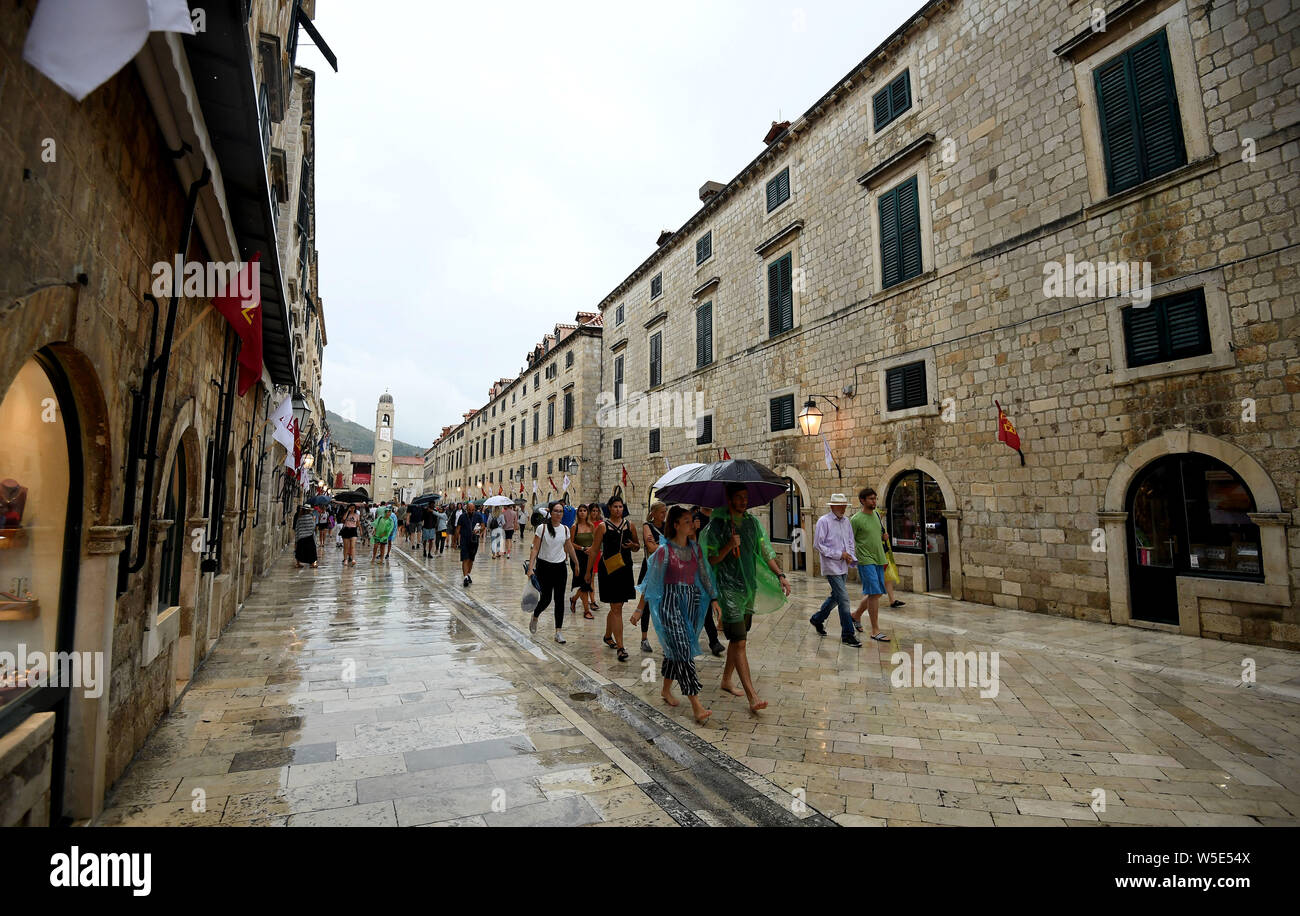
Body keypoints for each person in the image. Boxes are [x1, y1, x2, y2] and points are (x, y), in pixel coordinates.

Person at [700, 483, 790, 713]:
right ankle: (752, 696)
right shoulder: (717, 527)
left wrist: (780, 574)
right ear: (729, 500)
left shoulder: (752, 524)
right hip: (728, 590)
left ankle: (726, 680)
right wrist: (729, 546)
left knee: (737, 638)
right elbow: (710, 560)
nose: (743, 501)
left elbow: (765, 551)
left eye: (745, 497)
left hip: (748, 586)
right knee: (740, 641)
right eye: (739, 497)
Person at [639, 506, 721, 725]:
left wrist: (713, 599)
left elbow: (703, 574)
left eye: (691, 520)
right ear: (675, 525)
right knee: (683, 648)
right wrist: (640, 610)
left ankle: (666, 690)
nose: (692, 523)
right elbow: (650, 581)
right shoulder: (664, 552)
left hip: (691, 602)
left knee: (676, 648)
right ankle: (696, 704)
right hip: (669, 604)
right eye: (686, 521)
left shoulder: (695, 549)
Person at [585, 493, 639, 662]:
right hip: (608, 569)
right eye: (615, 506)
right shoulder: (602, 527)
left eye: (620, 506)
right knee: (616, 608)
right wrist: (588, 573)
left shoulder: (630, 525)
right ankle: (621, 647)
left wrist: (633, 546)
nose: (618, 509)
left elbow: (637, 546)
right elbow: (594, 550)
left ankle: (608, 635)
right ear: (609, 508)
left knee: (617, 606)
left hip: (625, 568)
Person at [811, 493, 863, 647]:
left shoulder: (846, 521)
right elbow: (818, 545)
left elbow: (850, 541)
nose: (843, 508)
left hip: (843, 566)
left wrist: (851, 557)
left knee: (836, 597)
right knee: (844, 599)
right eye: (840, 506)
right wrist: (840, 555)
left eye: (844, 506)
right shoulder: (824, 521)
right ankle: (848, 634)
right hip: (831, 567)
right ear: (832, 506)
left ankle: (817, 619)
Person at [525, 501, 581, 644]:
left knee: (559, 600)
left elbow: (569, 547)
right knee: (546, 599)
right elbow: (535, 549)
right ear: (550, 512)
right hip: (544, 567)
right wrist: (531, 568)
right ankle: (535, 615)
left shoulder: (565, 530)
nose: (558, 514)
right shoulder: (542, 528)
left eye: (560, 511)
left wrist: (576, 563)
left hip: (560, 568)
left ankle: (558, 632)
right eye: (555, 511)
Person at [850, 487, 890, 641]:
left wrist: (884, 537)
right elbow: (849, 539)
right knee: (874, 593)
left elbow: (878, 535)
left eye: (875, 498)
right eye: (871, 499)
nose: (874, 501)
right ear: (862, 501)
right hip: (865, 560)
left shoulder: (877, 515)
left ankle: (856, 615)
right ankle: (875, 630)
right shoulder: (856, 519)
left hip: (879, 557)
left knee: (878, 592)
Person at [629, 501, 668, 654]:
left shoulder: (667, 526)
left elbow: (671, 545)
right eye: (661, 512)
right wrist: (666, 547)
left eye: (665, 511)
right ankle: (644, 638)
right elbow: (651, 548)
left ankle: (665, 640)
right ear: (653, 513)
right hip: (651, 569)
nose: (664, 514)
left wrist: (660, 546)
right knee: (648, 604)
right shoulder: (647, 526)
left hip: (665, 569)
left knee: (664, 606)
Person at [690, 507, 725, 656]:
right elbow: (691, 546)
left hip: (715, 566)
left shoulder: (718, 520)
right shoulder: (694, 519)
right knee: (702, 607)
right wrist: (693, 530)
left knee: (707, 606)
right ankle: (713, 641)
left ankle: (711, 640)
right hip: (698, 568)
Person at [568, 503, 597, 620]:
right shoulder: (574, 527)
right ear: (577, 513)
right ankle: (586, 611)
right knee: (584, 583)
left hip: (589, 557)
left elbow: (596, 540)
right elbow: (570, 543)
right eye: (580, 510)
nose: (582, 512)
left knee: (587, 582)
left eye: (585, 510)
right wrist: (582, 548)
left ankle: (574, 599)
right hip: (577, 557)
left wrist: (592, 548)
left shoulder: (591, 527)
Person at [459, 502, 485, 586]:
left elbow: (483, 526)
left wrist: (479, 530)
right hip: (464, 540)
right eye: (469, 510)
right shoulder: (462, 517)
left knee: (471, 559)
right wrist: (454, 541)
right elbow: (457, 528)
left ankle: (468, 574)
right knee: (465, 559)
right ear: (466, 509)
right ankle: (465, 577)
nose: (471, 511)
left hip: (474, 541)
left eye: (472, 510)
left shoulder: (478, 516)